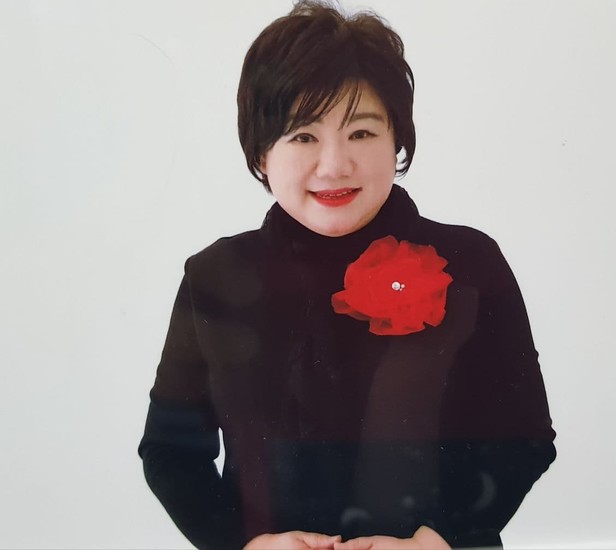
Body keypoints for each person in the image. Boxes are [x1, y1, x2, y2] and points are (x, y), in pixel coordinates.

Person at [138, 1, 556, 548]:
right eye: (303, 136)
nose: (334, 165)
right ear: (261, 153)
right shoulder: (216, 275)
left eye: (361, 133)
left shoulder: (470, 261)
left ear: (396, 140)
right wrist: (246, 545)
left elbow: (523, 437)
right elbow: (170, 450)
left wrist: (436, 541)